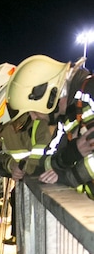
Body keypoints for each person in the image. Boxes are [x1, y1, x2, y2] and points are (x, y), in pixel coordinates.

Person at [6, 54, 94, 197]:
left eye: (34, 112)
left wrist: (68, 177)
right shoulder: (67, 118)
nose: (34, 118)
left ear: (49, 96)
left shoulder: (90, 92)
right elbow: (46, 161)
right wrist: (70, 155)